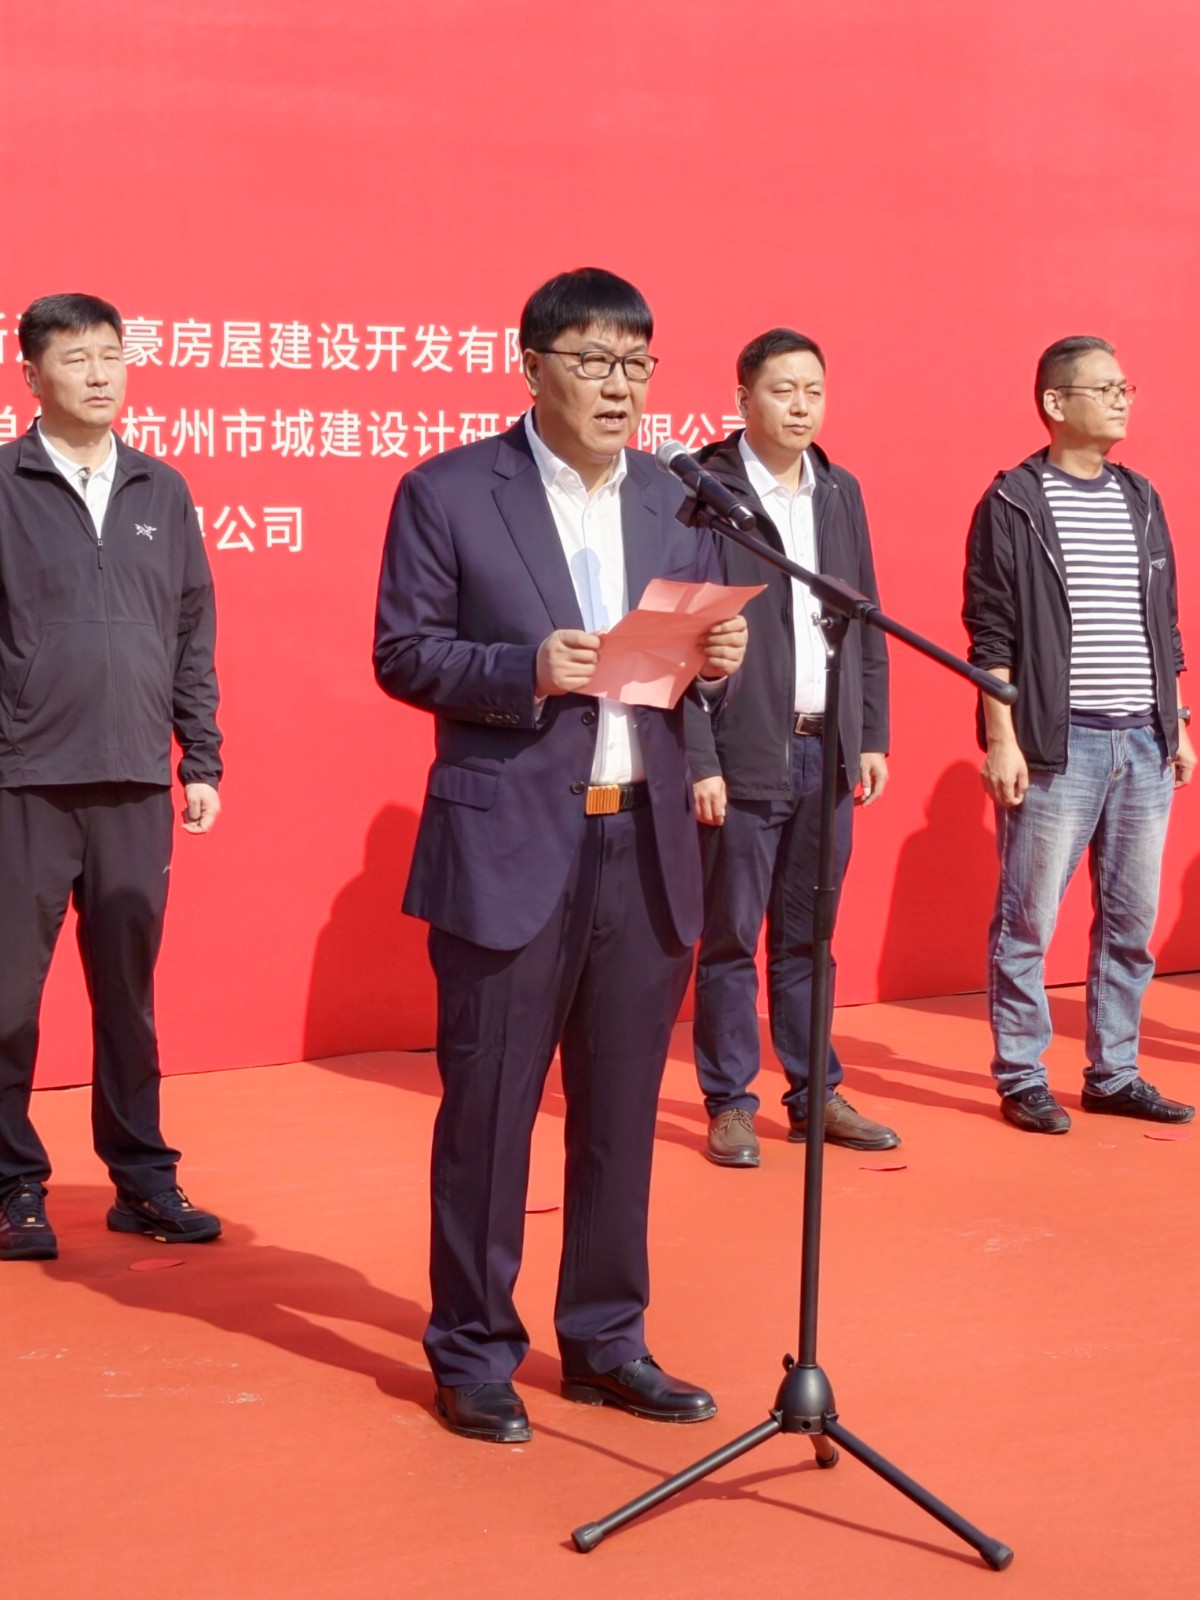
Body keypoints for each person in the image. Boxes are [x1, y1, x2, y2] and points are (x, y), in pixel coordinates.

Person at [374, 268, 747, 1444]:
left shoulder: (677, 499)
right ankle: (473, 1348)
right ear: (531, 365)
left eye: (637, 363)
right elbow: (402, 651)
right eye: (593, 361)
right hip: (510, 847)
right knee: (489, 1114)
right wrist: (524, 669)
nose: (619, 386)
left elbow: (669, 668)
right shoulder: (448, 491)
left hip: (642, 841)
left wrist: (714, 661)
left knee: (622, 1112)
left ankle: (606, 1339)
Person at [0, 293, 224, 1260]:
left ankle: (143, 1179)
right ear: (32, 375)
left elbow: (190, 630)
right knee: (7, 995)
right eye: (76, 358)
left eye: (111, 356)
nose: (100, 375)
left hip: (135, 778)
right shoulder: (4, 485)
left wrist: (200, 755)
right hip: (23, 781)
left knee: (128, 996)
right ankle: (12, 1185)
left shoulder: (160, 489)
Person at [963, 335, 1195, 1133]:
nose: (1124, 399)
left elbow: (1163, 625)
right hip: (1057, 748)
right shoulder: (1013, 502)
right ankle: (1023, 1075)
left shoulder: (1141, 497)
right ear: (1055, 403)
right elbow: (991, 631)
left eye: (1127, 386)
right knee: (1027, 921)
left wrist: (1178, 724)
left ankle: (1114, 1072)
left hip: (1144, 743)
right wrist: (1002, 739)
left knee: (1131, 924)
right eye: (1106, 388)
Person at [686, 328, 899, 1167]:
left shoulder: (841, 491)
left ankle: (816, 1094)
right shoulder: (707, 494)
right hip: (742, 753)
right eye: (784, 390)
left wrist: (870, 733)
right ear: (743, 400)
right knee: (732, 939)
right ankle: (730, 1102)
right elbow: (685, 633)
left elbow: (865, 618)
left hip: (826, 752)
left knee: (812, 939)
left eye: (814, 390)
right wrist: (699, 756)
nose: (802, 406)